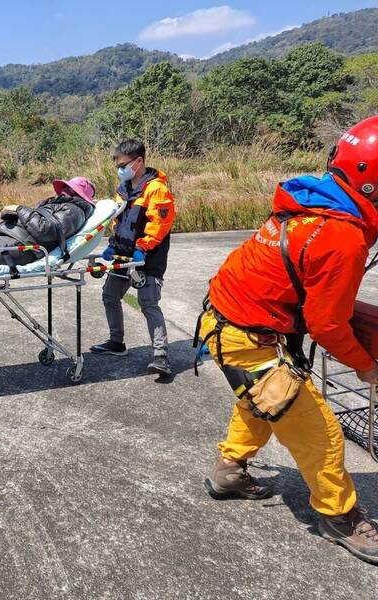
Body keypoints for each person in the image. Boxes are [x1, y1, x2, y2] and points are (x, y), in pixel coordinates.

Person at [197, 116, 378, 564]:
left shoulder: (311, 201)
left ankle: (229, 471)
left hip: (228, 323)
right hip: (244, 336)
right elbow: (327, 325)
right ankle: (340, 517)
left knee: (263, 401)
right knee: (322, 435)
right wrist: (365, 365)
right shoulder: (341, 235)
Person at [90, 139, 175, 377]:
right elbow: (119, 221)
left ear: (139, 161)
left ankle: (161, 356)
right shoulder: (124, 189)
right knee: (110, 296)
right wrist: (112, 245)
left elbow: (160, 224)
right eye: (118, 165)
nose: (120, 169)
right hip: (124, 254)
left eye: (124, 164)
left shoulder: (156, 188)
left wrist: (143, 247)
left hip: (148, 256)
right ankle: (116, 342)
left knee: (148, 303)